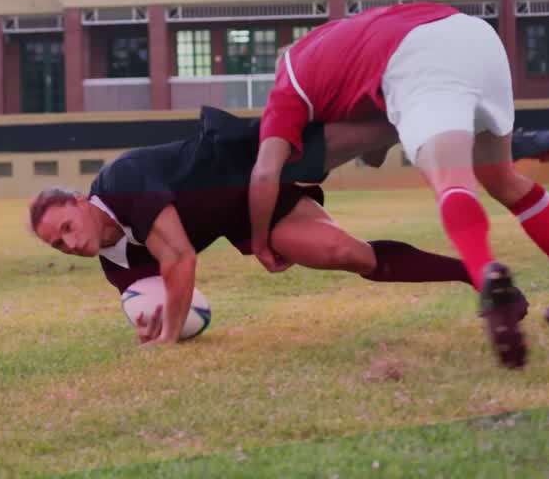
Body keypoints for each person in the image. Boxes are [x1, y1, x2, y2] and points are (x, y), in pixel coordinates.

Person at [249, 3, 549, 370]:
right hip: (475, 36)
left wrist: (260, 241)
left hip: (419, 59)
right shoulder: (341, 39)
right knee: (502, 180)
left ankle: (485, 271)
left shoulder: (288, 88)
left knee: (451, 181)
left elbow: (265, 172)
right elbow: (375, 151)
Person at [29, 107, 482, 346]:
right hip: (243, 215)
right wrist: (153, 323)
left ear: (80, 202)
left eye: (66, 227)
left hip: (249, 159)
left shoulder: (120, 179)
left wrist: (168, 338)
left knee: (381, 128)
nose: (70, 244)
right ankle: (475, 273)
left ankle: (493, 135)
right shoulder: (116, 266)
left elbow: (180, 259)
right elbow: (159, 299)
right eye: (58, 245)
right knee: (349, 254)